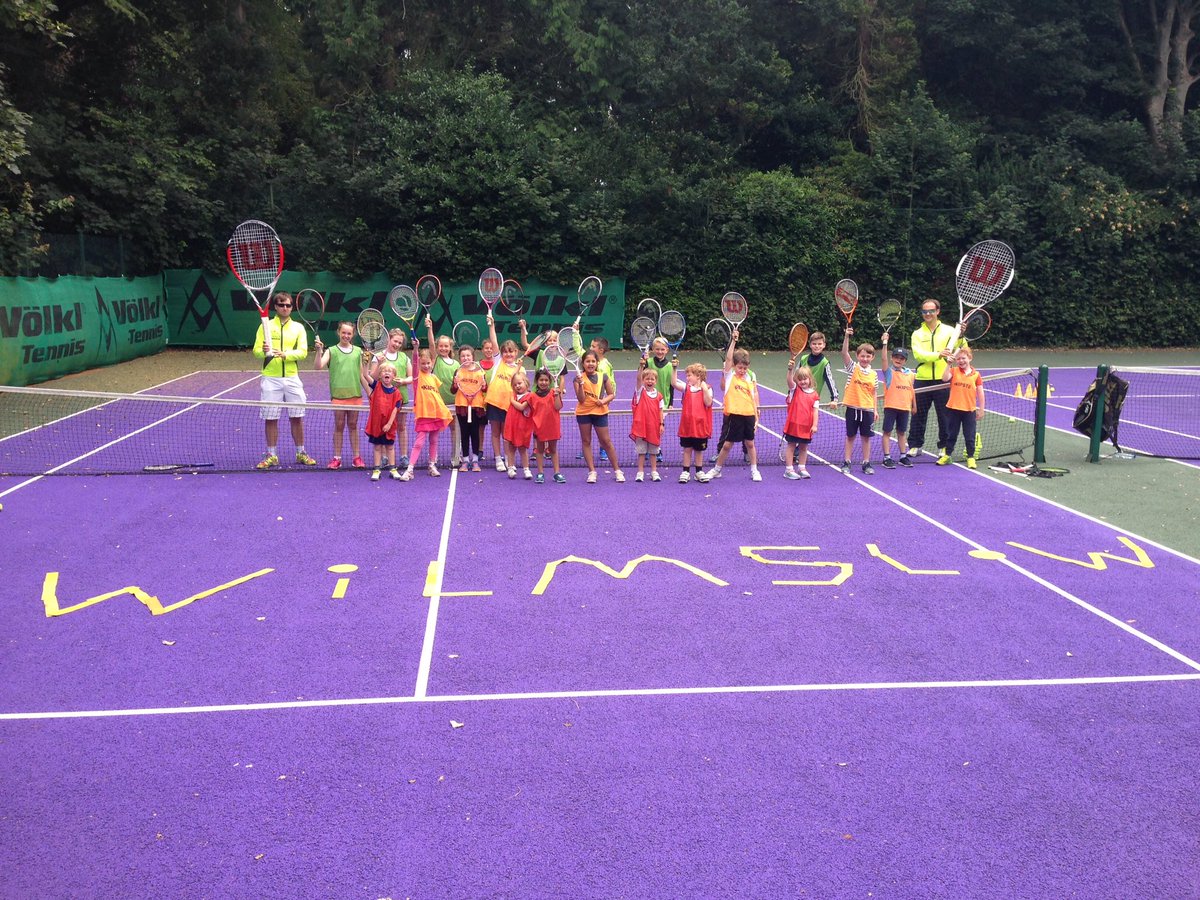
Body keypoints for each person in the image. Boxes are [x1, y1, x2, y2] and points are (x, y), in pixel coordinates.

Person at [252, 292, 317, 469]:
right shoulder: (265, 326)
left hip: (292, 378)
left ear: (291, 307)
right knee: (271, 417)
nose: (285, 308)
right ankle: (271, 455)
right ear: (276, 307)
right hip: (270, 379)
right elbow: (256, 351)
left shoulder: (298, 328)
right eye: (281, 305)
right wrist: (263, 351)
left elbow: (303, 352)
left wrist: (286, 354)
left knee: (297, 416)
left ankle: (301, 452)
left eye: (288, 305)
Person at [908, 298, 962, 459]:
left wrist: (961, 336)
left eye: (931, 311)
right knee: (918, 414)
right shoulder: (917, 334)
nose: (928, 314)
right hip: (922, 379)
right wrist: (938, 354)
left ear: (937, 311)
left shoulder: (950, 331)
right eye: (925, 311)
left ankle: (944, 446)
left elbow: (962, 347)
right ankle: (915, 445)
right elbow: (918, 355)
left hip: (943, 379)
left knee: (945, 415)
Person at [699, 343, 761, 482]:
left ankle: (754, 470)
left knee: (750, 444)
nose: (742, 370)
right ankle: (717, 470)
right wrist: (733, 341)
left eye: (745, 368)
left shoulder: (749, 378)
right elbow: (728, 358)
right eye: (740, 367)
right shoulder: (729, 376)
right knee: (727, 445)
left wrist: (757, 413)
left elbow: (753, 396)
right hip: (734, 416)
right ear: (734, 365)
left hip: (749, 415)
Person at [314, 321, 366, 469]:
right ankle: (337, 458)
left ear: (353, 335)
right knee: (339, 425)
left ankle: (357, 457)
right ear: (338, 332)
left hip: (355, 395)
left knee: (353, 425)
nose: (346, 336)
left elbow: (362, 375)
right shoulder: (331, 351)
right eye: (343, 332)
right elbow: (318, 366)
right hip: (338, 396)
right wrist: (319, 351)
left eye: (349, 333)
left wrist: (370, 393)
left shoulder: (358, 351)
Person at [401, 344, 453, 480]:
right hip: (423, 414)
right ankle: (410, 469)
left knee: (434, 440)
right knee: (419, 442)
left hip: (436, 413)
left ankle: (432, 465)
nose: (426, 366)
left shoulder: (434, 378)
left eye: (428, 363)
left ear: (432, 362)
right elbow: (414, 361)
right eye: (423, 363)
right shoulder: (417, 377)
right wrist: (415, 349)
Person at [573, 349, 625, 483]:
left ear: (597, 363)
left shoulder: (604, 376)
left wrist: (603, 401)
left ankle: (617, 470)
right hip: (584, 413)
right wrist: (580, 385)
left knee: (606, 441)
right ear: (583, 363)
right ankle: (592, 472)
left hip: (600, 412)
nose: (590, 364)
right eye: (587, 361)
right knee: (586, 441)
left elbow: (611, 394)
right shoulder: (577, 379)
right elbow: (581, 399)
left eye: (593, 361)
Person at [485, 314, 525, 472]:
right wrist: (491, 325)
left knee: (507, 434)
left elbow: (519, 388)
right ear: (501, 353)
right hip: (494, 403)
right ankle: (498, 459)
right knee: (495, 432)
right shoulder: (498, 362)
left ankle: (509, 458)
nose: (508, 354)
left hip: (510, 406)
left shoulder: (521, 369)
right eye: (505, 352)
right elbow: (494, 341)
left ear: (516, 352)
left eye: (511, 352)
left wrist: (518, 368)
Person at [570, 318, 614, 462]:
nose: (590, 348)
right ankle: (586, 449)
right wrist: (576, 333)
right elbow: (578, 348)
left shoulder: (606, 365)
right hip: (586, 403)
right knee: (586, 436)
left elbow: (610, 383)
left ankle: (603, 449)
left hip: (600, 402)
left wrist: (605, 400)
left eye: (593, 346)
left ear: (600, 350)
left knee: (603, 434)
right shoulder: (589, 358)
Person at [839, 326, 878, 475]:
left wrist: (875, 410)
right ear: (857, 356)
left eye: (868, 356)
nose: (865, 359)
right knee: (850, 436)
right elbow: (844, 353)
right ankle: (847, 462)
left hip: (867, 410)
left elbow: (874, 393)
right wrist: (846, 336)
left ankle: (866, 462)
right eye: (862, 356)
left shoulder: (874, 374)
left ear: (872, 357)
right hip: (853, 409)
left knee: (866, 438)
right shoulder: (853, 368)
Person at [939, 346, 985, 469]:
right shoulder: (954, 371)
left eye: (963, 358)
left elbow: (980, 393)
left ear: (970, 358)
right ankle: (947, 455)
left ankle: (970, 457)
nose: (961, 361)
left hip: (969, 411)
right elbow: (944, 378)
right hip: (953, 409)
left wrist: (981, 409)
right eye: (958, 359)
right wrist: (948, 364)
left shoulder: (976, 375)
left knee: (969, 435)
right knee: (951, 434)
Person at [372, 328, 413, 468]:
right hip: (383, 400)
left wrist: (404, 381)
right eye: (395, 341)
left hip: (401, 398)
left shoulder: (404, 357)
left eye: (400, 343)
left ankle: (404, 456)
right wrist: (379, 363)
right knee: (384, 428)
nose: (397, 344)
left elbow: (411, 377)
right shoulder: (379, 356)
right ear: (388, 339)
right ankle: (384, 457)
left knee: (401, 427)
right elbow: (373, 377)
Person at [425, 316, 461, 469]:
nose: (443, 348)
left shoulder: (457, 364)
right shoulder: (435, 360)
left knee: (455, 430)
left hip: (454, 403)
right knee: (435, 431)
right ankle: (433, 458)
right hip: (438, 403)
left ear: (450, 347)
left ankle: (455, 456)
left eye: (446, 346)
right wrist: (429, 329)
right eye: (441, 346)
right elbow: (430, 345)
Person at [673, 362, 714, 483]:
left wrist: (704, 388)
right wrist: (674, 368)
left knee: (698, 450)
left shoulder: (708, 389)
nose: (687, 378)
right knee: (687, 449)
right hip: (687, 426)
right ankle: (685, 471)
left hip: (701, 427)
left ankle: (699, 472)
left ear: (698, 376)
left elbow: (708, 403)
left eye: (689, 375)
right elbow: (674, 383)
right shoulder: (686, 388)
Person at [878, 337, 916, 469]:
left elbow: (911, 390)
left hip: (905, 408)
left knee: (902, 432)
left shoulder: (910, 374)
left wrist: (914, 405)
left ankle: (903, 456)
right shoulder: (889, 372)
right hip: (891, 407)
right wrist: (885, 343)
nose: (898, 360)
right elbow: (883, 359)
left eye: (901, 358)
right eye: (896, 357)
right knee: (887, 432)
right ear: (892, 358)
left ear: (905, 360)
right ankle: (886, 457)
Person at [361, 362, 403, 481]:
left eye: (389, 371)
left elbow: (395, 409)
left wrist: (389, 424)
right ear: (380, 375)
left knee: (390, 447)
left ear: (394, 376)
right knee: (377, 447)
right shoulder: (376, 386)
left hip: (389, 425)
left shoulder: (396, 392)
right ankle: (376, 470)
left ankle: (392, 469)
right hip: (376, 425)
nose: (387, 373)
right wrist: (366, 363)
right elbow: (365, 375)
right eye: (384, 371)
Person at [451, 343, 487, 472]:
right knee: (464, 433)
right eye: (463, 356)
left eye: (468, 355)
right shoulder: (458, 371)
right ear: (459, 358)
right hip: (462, 406)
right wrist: (455, 385)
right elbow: (453, 390)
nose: (466, 358)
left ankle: (475, 461)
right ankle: (465, 461)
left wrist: (484, 386)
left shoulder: (480, 371)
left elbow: (484, 389)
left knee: (475, 433)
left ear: (472, 357)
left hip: (476, 406)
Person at [782, 363, 820, 480]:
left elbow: (815, 411)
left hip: (806, 427)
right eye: (800, 379)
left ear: (810, 379)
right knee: (791, 446)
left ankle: (802, 468)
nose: (803, 381)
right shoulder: (795, 390)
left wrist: (814, 425)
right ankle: (789, 470)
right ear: (796, 381)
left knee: (804, 447)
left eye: (805, 379)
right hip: (794, 425)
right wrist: (790, 370)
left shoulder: (814, 395)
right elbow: (789, 381)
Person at [527, 367, 566, 483]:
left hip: (553, 426)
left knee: (553, 449)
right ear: (537, 381)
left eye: (546, 380)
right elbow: (528, 411)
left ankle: (557, 473)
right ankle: (540, 473)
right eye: (541, 380)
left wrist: (557, 395)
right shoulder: (532, 396)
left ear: (550, 381)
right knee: (539, 450)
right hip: (539, 428)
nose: (543, 382)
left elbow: (558, 407)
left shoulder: (554, 393)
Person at [630, 366, 664, 482]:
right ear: (643, 380)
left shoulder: (659, 396)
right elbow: (638, 379)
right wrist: (641, 366)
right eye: (647, 379)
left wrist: (661, 424)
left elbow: (660, 410)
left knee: (653, 452)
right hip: (641, 428)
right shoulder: (640, 392)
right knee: (642, 452)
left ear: (656, 381)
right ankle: (640, 472)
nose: (649, 381)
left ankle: (654, 472)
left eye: (652, 379)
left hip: (654, 427)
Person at [504, 371, 535, 479]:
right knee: (511, 448)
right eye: (515, 385)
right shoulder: (513, 395)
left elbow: (521, 407)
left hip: (523, 427)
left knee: (522, 449)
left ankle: (526, 469)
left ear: (526, 382)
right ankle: (510, 468)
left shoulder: (529, 396)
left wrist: (512, 401)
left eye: (519, 383)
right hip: (512, 426)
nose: (517, 386)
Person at [796, 330, 839, 404]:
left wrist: (834, 398)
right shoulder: (803, 359)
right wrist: (791, 392)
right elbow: (795, 378)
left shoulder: (825, 363)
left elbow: (830, 381)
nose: (817, 346)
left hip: (812, 400)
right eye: (814, 344)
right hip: (798, 398)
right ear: (810, 345)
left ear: (824, 345)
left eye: (819, 344)